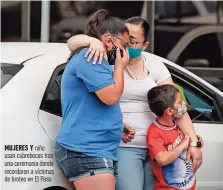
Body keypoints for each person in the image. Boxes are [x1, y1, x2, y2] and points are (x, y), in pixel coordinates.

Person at [67, 16, 203, 190]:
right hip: (126, 145)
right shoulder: (108, 58)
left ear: (145, 45)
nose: (126, 45)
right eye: (123, 39)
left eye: (133, 41)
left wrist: (194, 143)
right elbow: (72, 43)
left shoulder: (154, 64)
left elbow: (177, 106)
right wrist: (93, 42)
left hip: (161, 148)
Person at [55, 9, 130, 190]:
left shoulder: (95, 57)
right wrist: (120, 67)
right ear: (109, 40)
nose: (126, 50)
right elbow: (111, 96)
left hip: (94, 149)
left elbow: (92, 101)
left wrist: (118, 124)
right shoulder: (92, 57)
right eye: (125, 44)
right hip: (86, 150)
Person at [147, 84, 202, 190]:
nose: (183, 105)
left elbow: (196, 142)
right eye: (180, 102)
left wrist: (197, 143)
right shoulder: (154, 132)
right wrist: (182, 146)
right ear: (169, 111)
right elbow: (162, 159)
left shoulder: (180, 126)